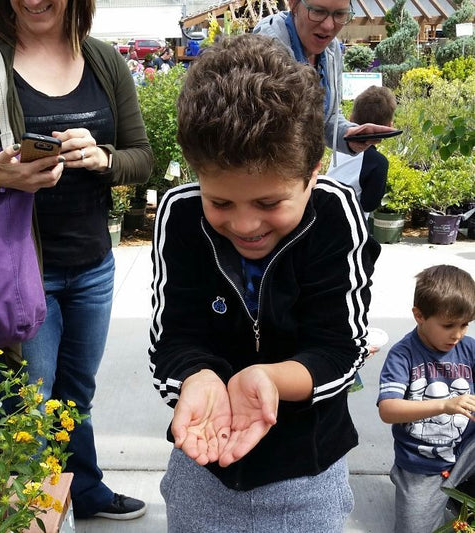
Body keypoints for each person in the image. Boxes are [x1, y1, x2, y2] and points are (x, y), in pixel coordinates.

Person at [149, 33, 380, 532]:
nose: (245, 225)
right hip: (202, 467)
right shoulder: (180, 214)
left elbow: (340, 349)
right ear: (196, 175)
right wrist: (198, 378)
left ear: (313, 174)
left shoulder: (338, 216)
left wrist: (270, 379)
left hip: (309, 471)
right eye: (221, 202)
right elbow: (173, 341)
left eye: (270, 203)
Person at [0, 0, 153, 522]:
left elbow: (141, 156)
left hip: (93, 266)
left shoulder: (103, 60)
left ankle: (82, 490)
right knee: (29, 409)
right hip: (17, 270)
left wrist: (103, 158)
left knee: (76, 394)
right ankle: (37, 517)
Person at [377, 264, 475, 533]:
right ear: (419, 315)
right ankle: (415, 488)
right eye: (448, 325)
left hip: (464, 450)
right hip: (423, 465)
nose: (457, 334)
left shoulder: (469, 348)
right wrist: (444, 405)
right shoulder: (403, 355)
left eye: (464, 324)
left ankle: (460, 490)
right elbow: (388, 409)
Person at [254, 0, 396, 155]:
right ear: (293, 4)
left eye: (340, 14)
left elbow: (328, 117)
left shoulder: (331, 49)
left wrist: (352, 135)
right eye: (318, 11)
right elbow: (266, 134)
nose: (328, 26)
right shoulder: (267, 49)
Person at [328, 85, 397, 218]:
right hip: (348, 228)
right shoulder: (378, 162)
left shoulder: (340, 148)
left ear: (350, 118)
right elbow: (369, 204)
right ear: (389, 127)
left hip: (322, 215)